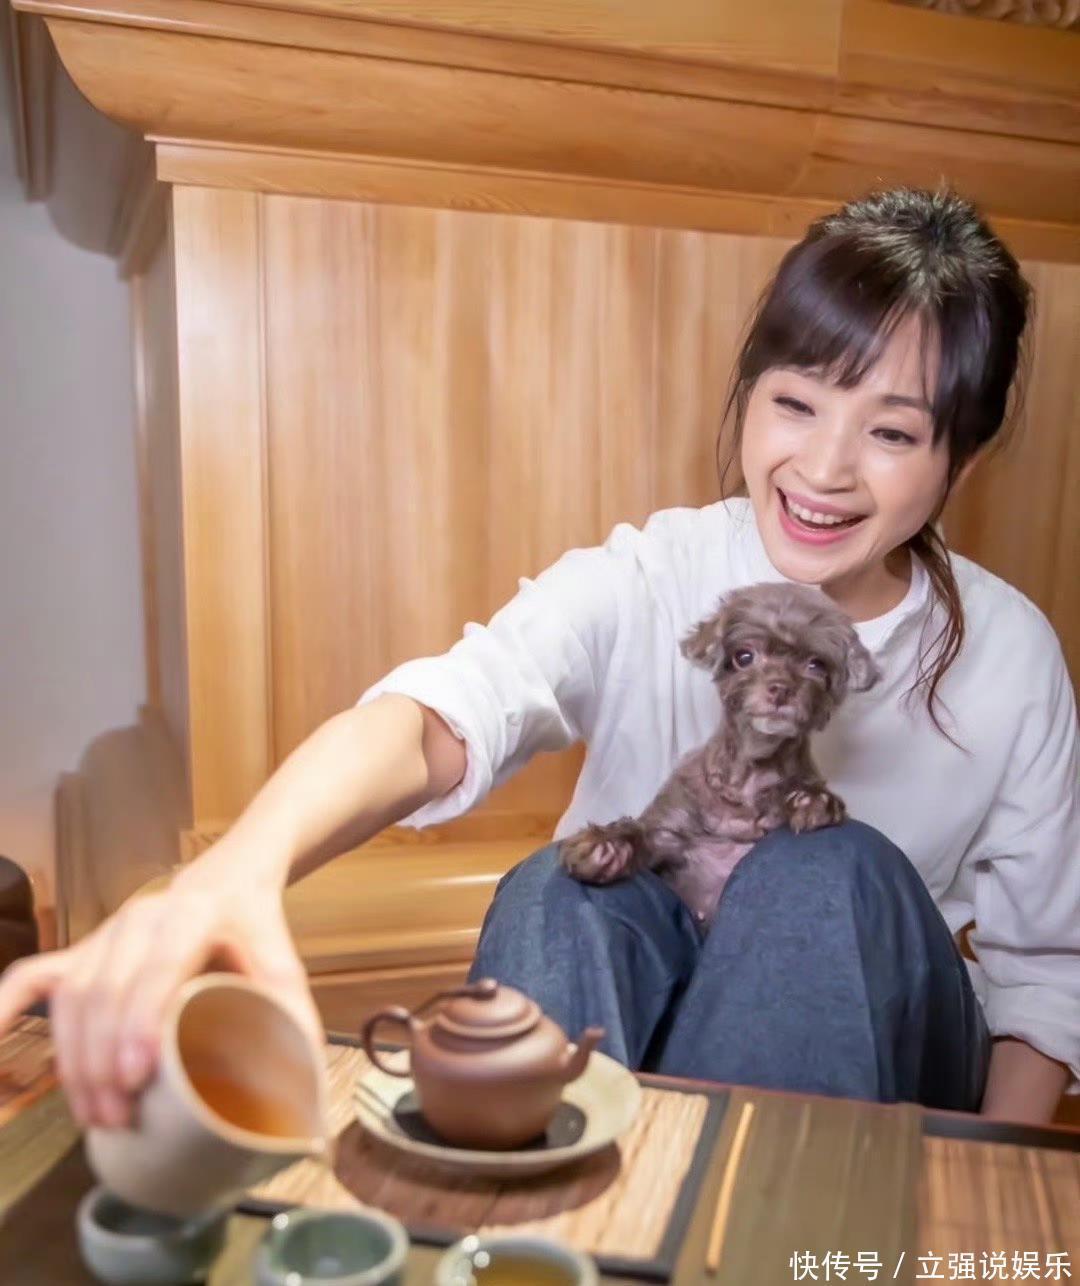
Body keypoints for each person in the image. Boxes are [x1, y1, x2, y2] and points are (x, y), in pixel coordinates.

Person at [0, 188, 1076, 1129]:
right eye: (795, 403)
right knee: (562, 887)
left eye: (891, 433)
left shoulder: (1011, 655)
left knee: (817, 866)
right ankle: (538, 1226)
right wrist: (235, 868)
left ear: (961, 455)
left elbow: (1044, 978)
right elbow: (444, 714)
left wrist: (985, 1195)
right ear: (751, 394)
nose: (825, 468)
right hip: (644, 1008)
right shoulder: (652, 575)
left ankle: (758, 1235)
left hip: (875, 1057)